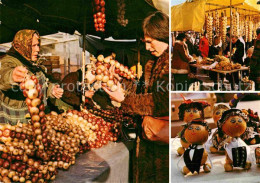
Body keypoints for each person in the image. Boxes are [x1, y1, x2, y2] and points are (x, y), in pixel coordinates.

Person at [103, 11, 169, 182]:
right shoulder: (153, 63)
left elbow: (159, 102)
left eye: (150, 42)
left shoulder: (169, 65)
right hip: (150, 140)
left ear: (162, 35)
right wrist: (122, 82)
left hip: (162, 148)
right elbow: (141, 94)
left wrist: (124, 100)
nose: (147, 48)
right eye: (145, 42)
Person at [0, 29, 64, 124]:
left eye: (38, 45)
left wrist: (51, 89)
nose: (37, 49)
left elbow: (37, 84)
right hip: (15, 121)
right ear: (23, 45)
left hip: (36, 118)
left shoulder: (33, 63)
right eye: (33, 46)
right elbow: (4, 76)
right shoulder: (8, 61)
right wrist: (12, 76)